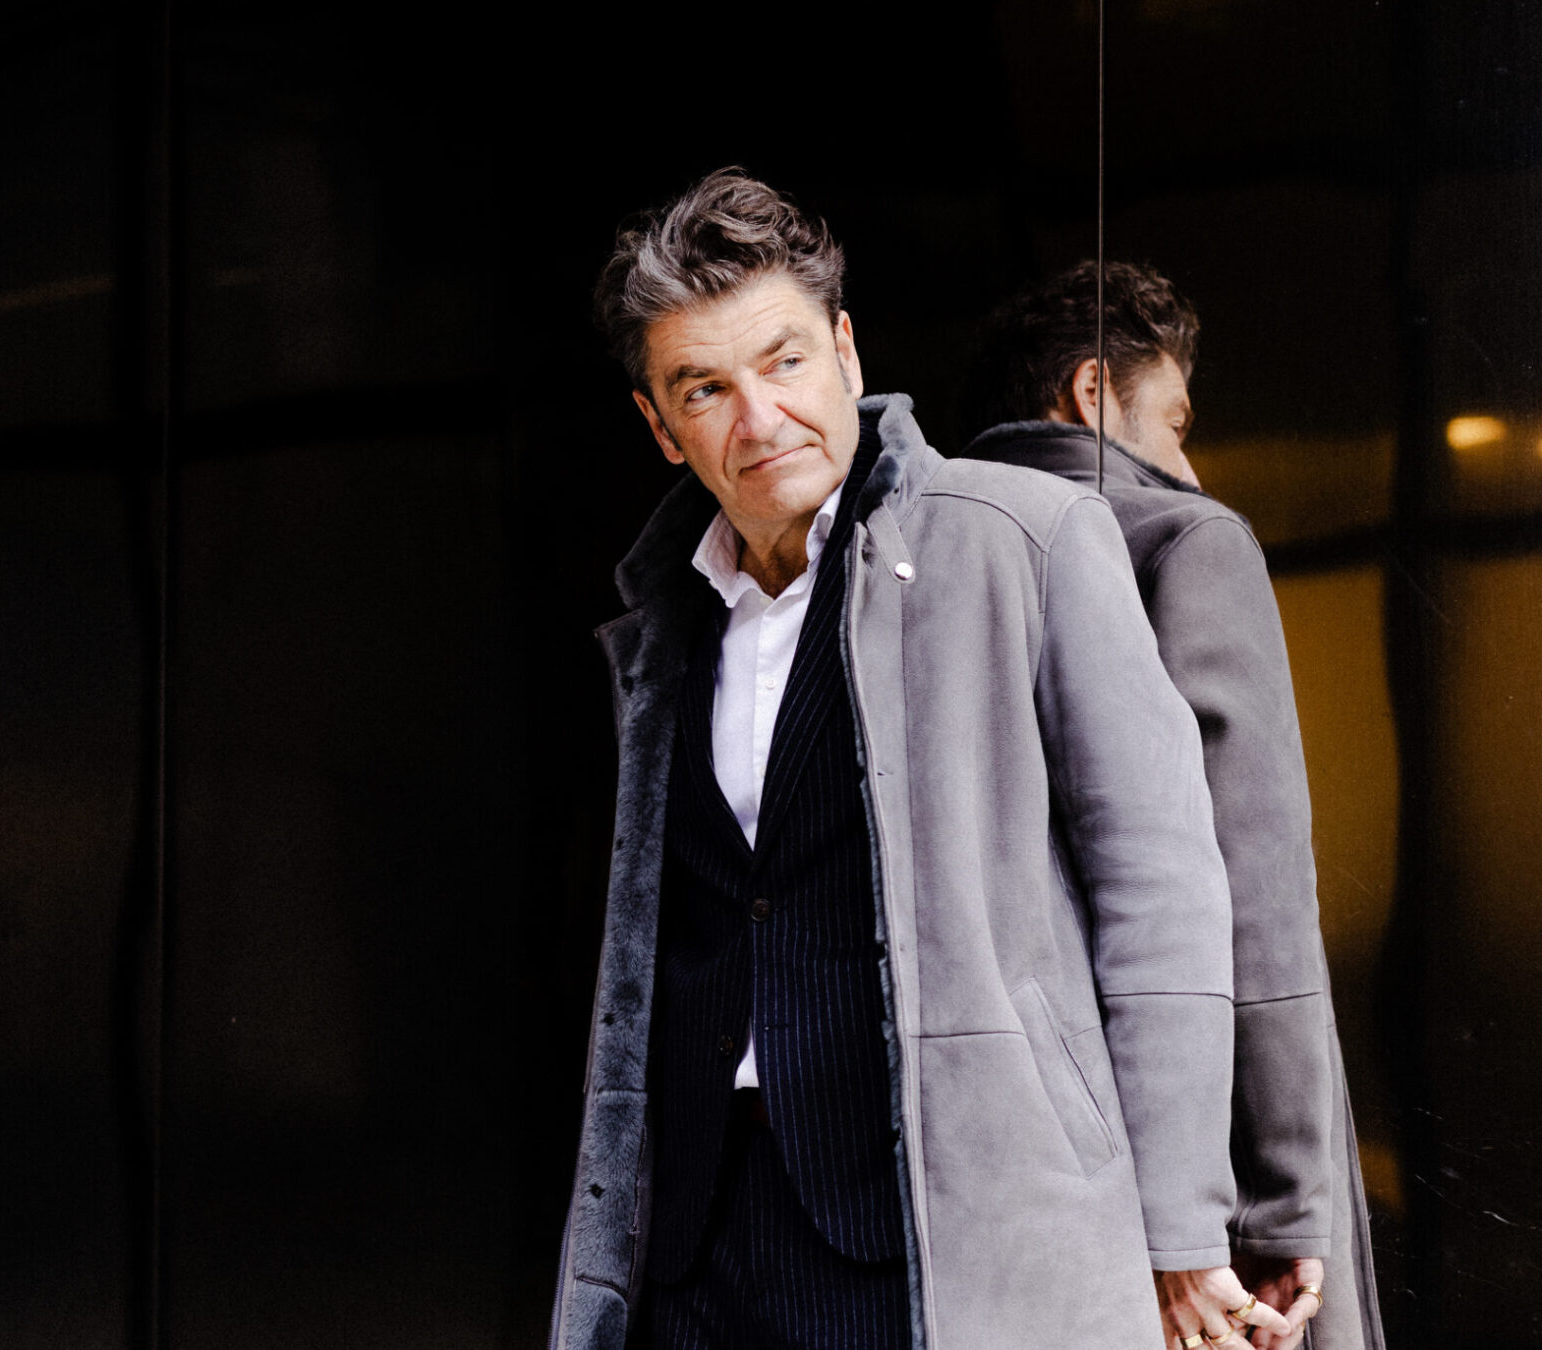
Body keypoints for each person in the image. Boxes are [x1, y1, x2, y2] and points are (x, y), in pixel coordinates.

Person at [548, 168, 1294, 1350]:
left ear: (846, 353)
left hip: (942, 1237)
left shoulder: (1028, 538)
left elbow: (1162, 895)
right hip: (697, 1247)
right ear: (660, 425)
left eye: (785, 362)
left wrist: (1181, 1225)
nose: (760, 420)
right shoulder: (662, 627)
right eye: (706, 389)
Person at [954, 261, 1384, 1350]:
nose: (1188, 464)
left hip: (1009, 1176)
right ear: (1092, 392)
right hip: (1203, 1176)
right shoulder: (1181, 540)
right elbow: (1257, 896)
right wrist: (1288, 1199)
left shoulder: (925, 558)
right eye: (1176, 421)